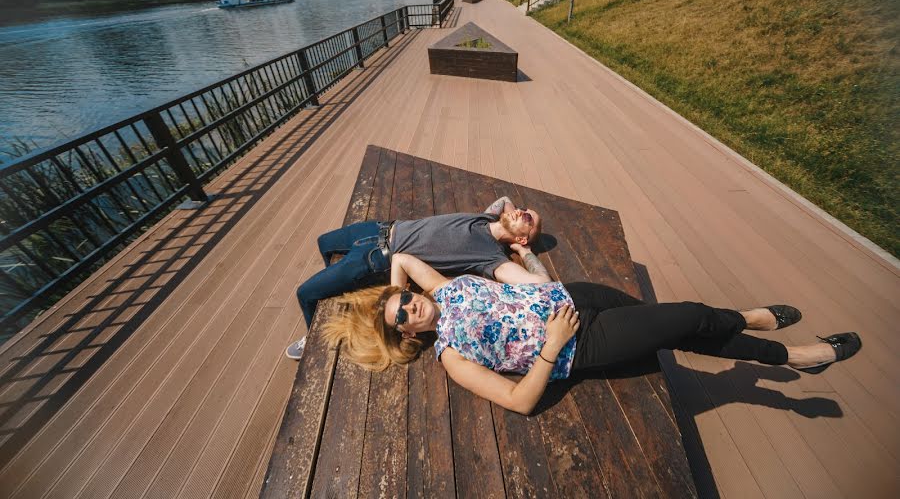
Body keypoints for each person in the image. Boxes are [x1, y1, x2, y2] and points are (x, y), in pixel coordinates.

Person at [322, 253, 862, 415]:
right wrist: (553, 347)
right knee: (690, 316)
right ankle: (781, 347)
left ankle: (760, 330)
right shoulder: (451, 356)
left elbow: (402, 258)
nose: (413, 307)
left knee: (685, 326)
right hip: (582, 344)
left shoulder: (439, 292)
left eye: (407, 302)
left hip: (579, 295)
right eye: (405, 318)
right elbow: (518, 400)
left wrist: (381, 303)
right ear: (408, 339)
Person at [285, 196, 549, 359]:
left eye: (527, 217)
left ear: (523, 237)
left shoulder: (493, 259)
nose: (520, 211)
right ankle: (337, 281)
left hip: (377, 257)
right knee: (323, 243)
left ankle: (311, 337)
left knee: (305, 293)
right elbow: (504, 199)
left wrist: (524, 252)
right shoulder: (486, 217)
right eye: (523, 208)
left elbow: (541, 284)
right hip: (381, 227)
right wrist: (514, 216)